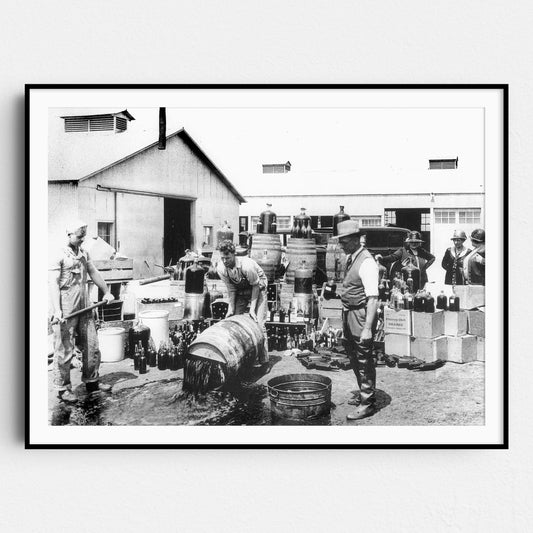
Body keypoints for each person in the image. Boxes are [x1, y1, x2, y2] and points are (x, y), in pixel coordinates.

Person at [49, 220, 115, 403]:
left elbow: (93, 272)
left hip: (84, 302)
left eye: (83, 236)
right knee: (64, 347)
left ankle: (92, 381)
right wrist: (57, 310)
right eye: (79, 237)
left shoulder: (84, 253)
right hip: (66, 304)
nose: (82, 240)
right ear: (69, 235)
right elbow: (53, 284)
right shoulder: (58, 254)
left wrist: (107, 291)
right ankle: (63, 388)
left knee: (91, 343)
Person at [337, 220, 380, 420]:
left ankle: (367, 403)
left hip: (361, 314)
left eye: (344, 242)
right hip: (349, 312)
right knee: (353, 355)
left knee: (364, 358)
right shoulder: (351, 258)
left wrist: (367, 329)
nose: (341, 245)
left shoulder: (367, 262)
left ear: (355, 240)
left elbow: (373, 299)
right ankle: (364, 394)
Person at [216, 240, 269, 363]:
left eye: (228, 258)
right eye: (223, 258)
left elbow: (255, 286)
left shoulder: (247, 265)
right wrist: (231, 308)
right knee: (234, 323)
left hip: (258, 288)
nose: (225, 261)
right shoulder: (221, 268)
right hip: (241, 291)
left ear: (234, 254)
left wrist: (252, 310)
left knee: (259, 325)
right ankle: (240, 358)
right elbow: (231, 289)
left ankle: (264, 360)